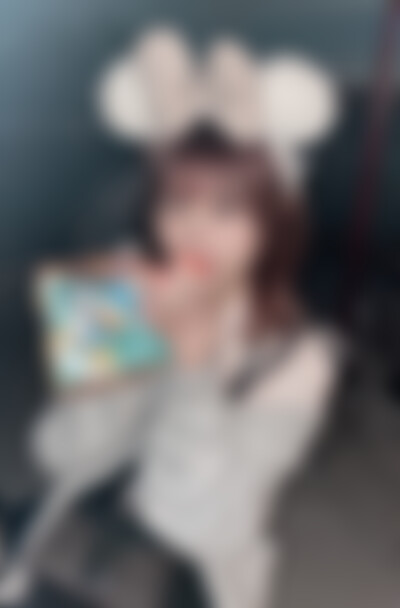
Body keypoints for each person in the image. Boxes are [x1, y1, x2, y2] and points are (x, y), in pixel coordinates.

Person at [0, 128, 340, 608]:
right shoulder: (121, 282)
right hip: (59, 558)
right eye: (177, 203)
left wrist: (192, 368)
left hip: (189, 582)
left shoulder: (301, 357)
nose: (193, 229)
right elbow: (58, 453)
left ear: (276, 221)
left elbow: (198, 523)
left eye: (227, 208)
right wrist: (114, 345)